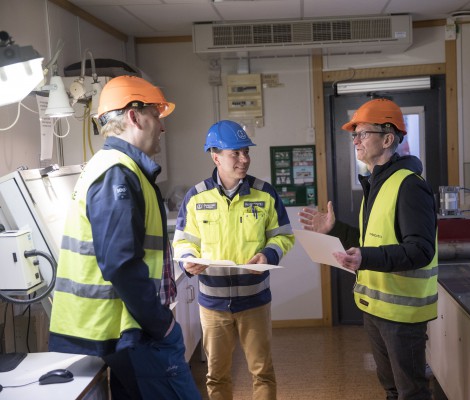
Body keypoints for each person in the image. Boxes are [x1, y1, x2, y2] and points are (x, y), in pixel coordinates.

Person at [48, 75, 202, 400]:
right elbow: (120, 263)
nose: (162, 127)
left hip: (116, 327)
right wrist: (162, 324)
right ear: (134, 115)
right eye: (156, 115)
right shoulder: (117, 173)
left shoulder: (120, 169)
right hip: (111, 328)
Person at [299, 98, 438, 400]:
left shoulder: (409, 185)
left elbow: (420, 249)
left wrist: (366, 258)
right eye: (354, 135)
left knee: (411, 392)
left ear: (388, 139)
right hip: (376, 308)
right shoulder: (377, 183)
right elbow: (370, 240)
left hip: (401, 314)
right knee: (391, 389)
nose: (355, 141)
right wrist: (334, 229)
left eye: (362, 134)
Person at [173, 120, 294, 400]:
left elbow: (284, 236)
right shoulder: (195, 197)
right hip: (213, 304)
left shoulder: (265, 194)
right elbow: (182, 241)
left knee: (262, 372)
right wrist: (187, 259)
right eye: (235, 153)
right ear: (215, 156)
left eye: (246, 152)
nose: (244, 159)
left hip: (255, 301)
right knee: (217, 377)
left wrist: (269, 253)